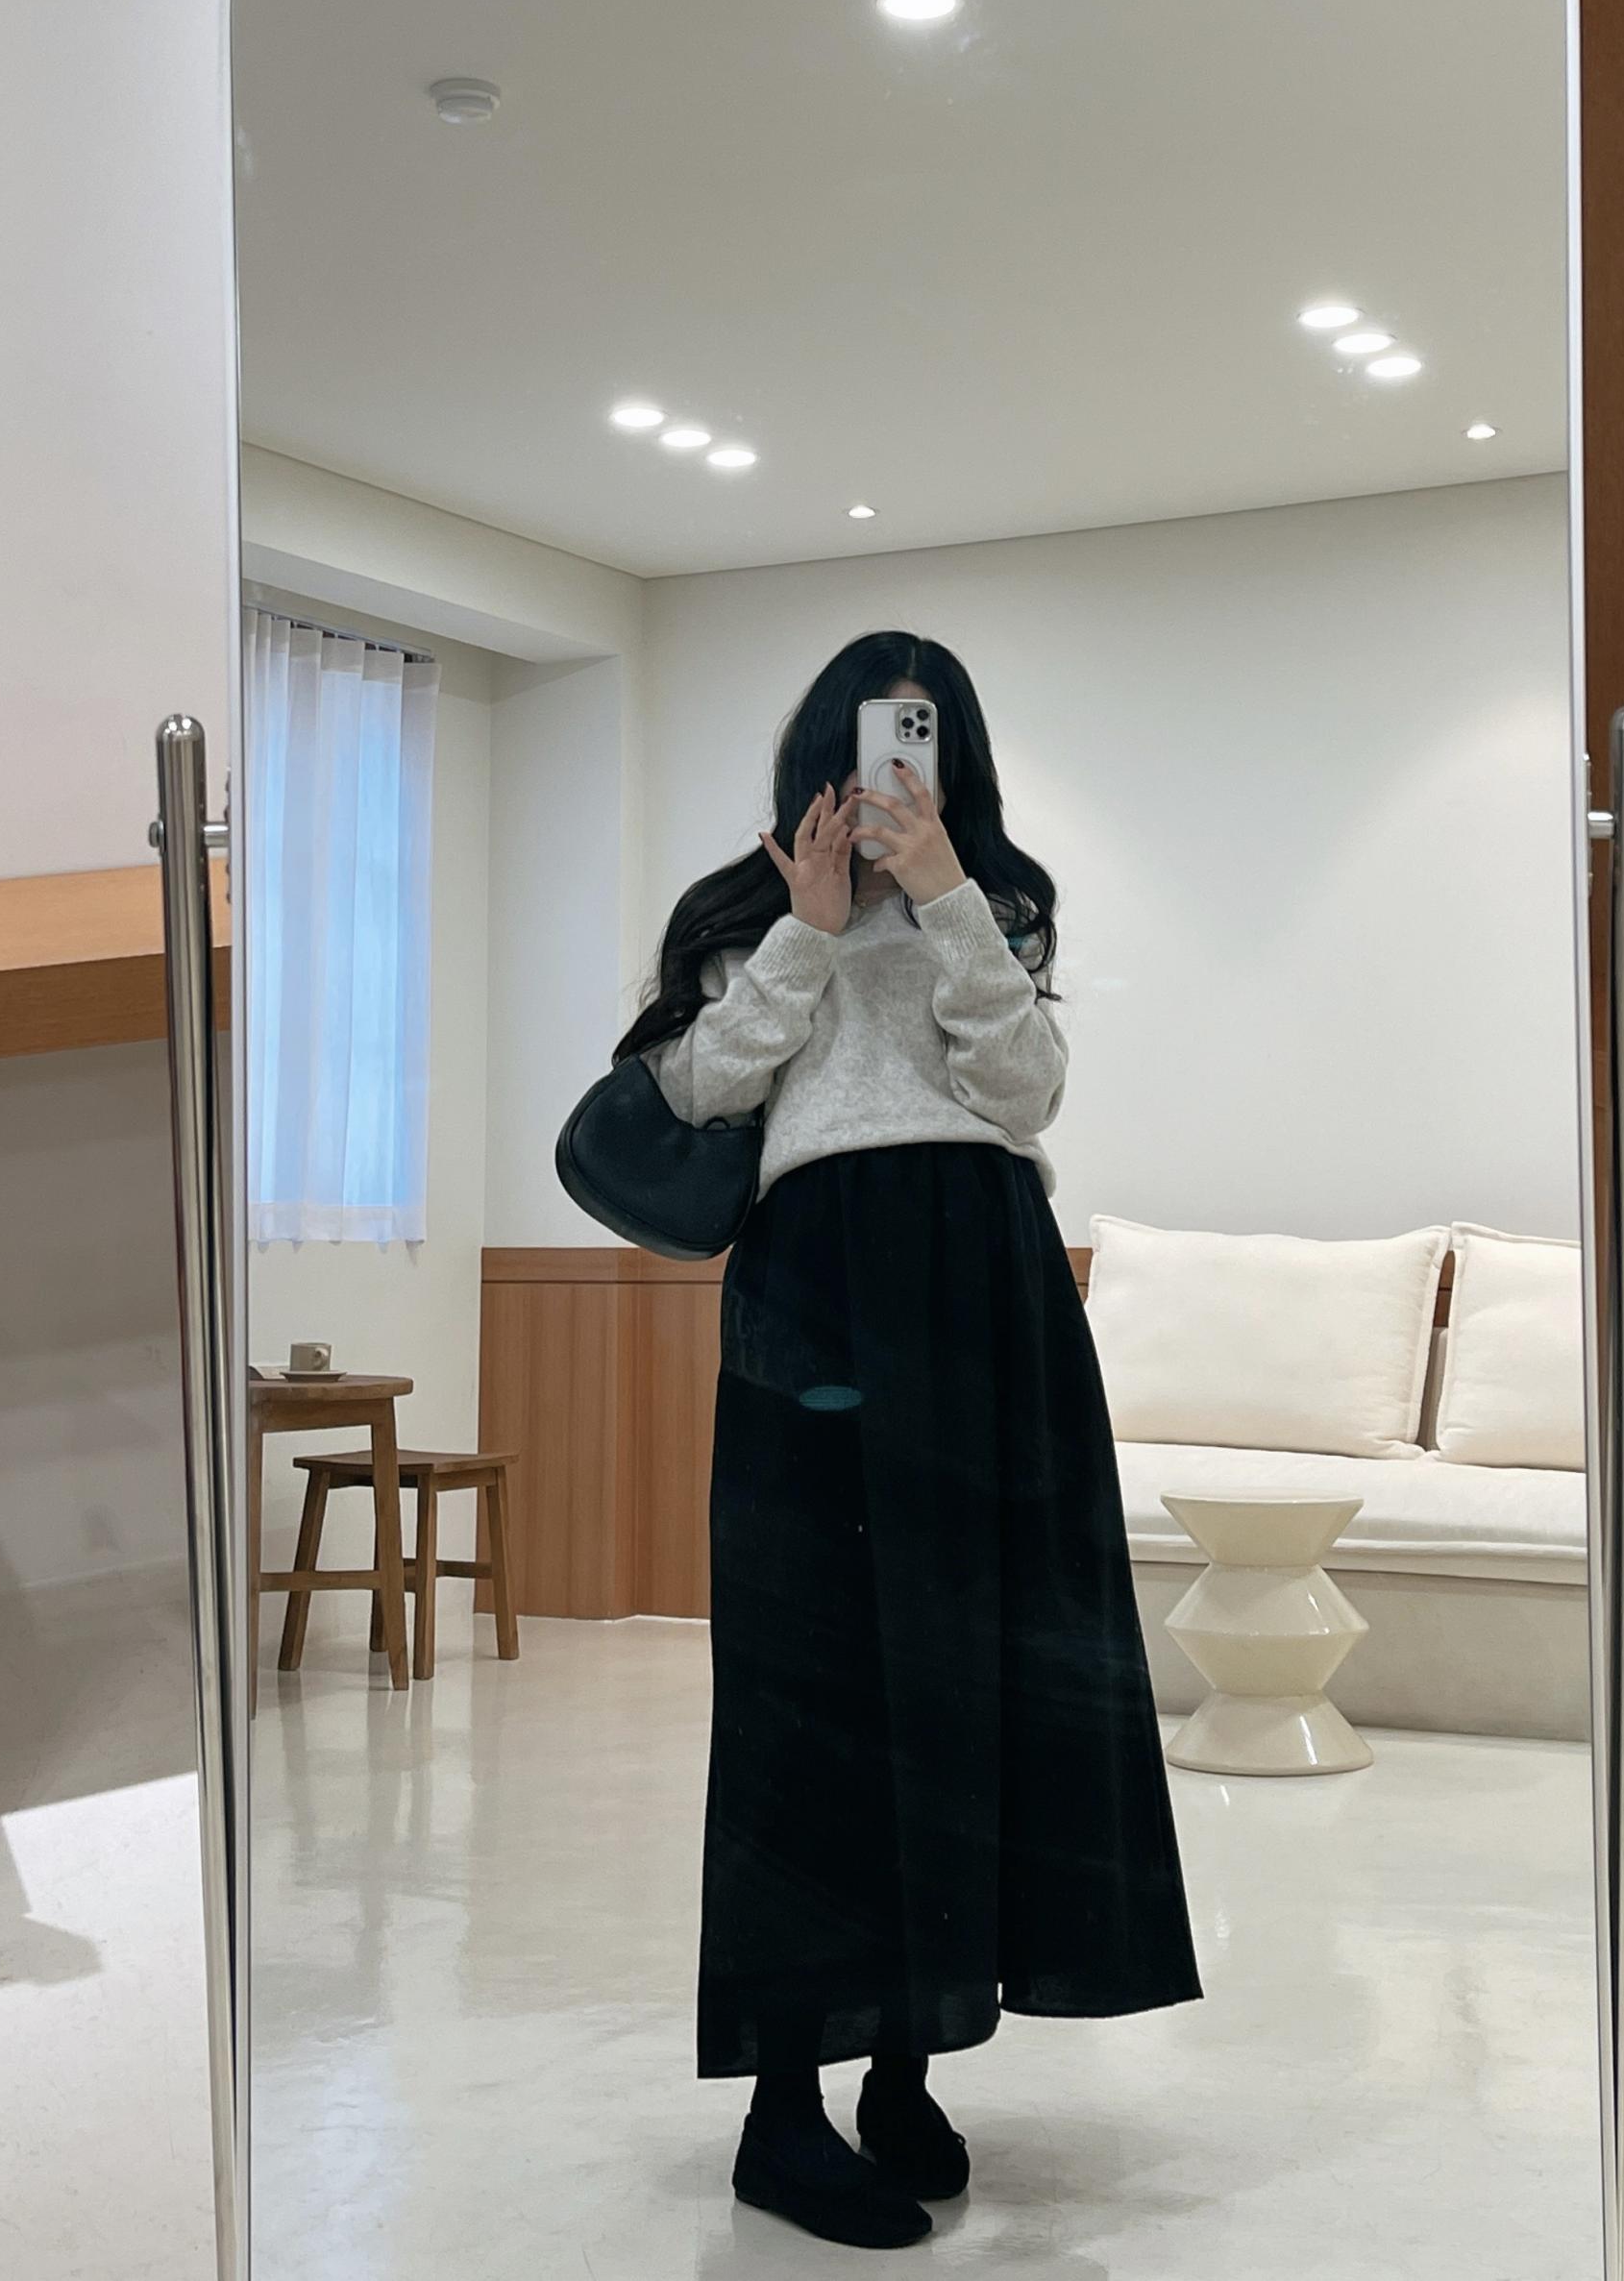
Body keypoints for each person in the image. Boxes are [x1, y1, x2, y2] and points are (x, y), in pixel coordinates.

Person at [619, 631, 1199, 2250]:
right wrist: (807, 931)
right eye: (880, 730)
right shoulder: (736, 914)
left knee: (972, 1675)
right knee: (814, 1693)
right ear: (831, 743)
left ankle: (903, 2065)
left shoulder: (996, 900)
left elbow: (1025, 1093)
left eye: (924, 734)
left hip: (990, 1295)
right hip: (820, 1296)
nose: (896, 758)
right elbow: (702, 1095)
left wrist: (944, 894)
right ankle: (779, 2113)